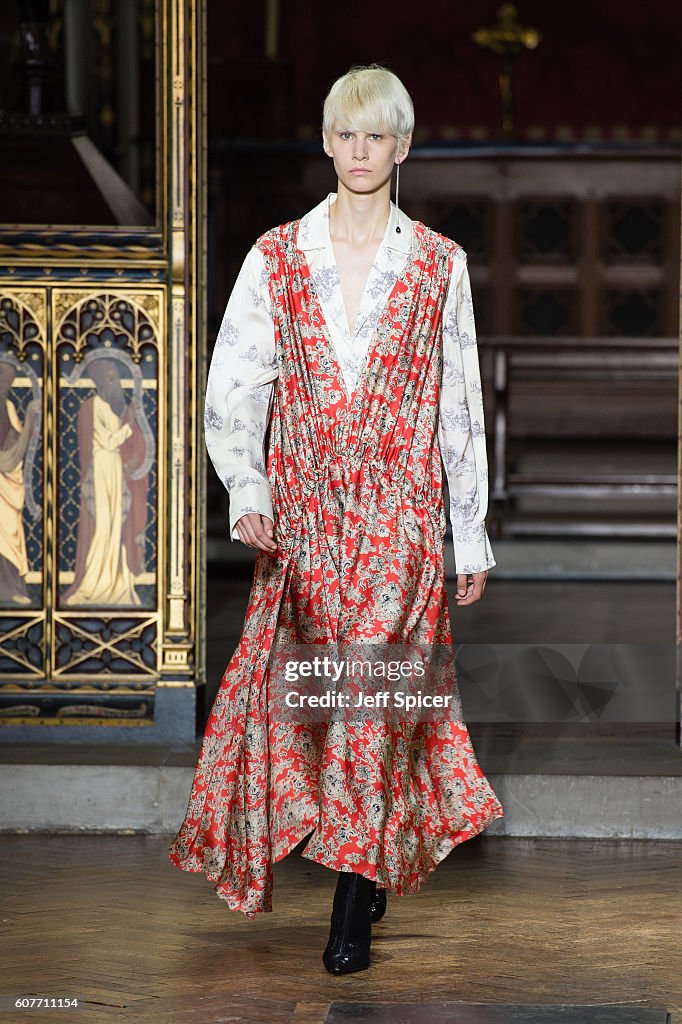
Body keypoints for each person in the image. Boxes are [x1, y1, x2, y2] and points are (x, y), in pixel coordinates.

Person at [169, 64, 504, 974]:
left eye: (378, 135)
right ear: (327, 142)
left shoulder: (440, 264)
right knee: (326, 699)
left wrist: (464, 531)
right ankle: (374, 841)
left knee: (372, 693)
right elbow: (235, 384)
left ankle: (350, 905)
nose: (361, 151)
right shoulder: (276, 257)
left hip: (399, 513)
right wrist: (249, 488)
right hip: (309, 516)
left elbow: (459, 407)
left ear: (403, 146)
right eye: (346, 134)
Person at [62, 357, 148, 607]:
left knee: (116, 524)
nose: (116, 382)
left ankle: (116, 582)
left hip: (113, 466)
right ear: (100, 382)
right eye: (111, 378)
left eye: (116, 377)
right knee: (104, 524)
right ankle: (95, 581)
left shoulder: (110, 406)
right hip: (102, 466)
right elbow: (109, 441)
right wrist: (129, 424)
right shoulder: (93, 405)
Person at [0, 360, 38, 606]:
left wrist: (30, 423)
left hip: (6, 479)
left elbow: (15, 447)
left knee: (8, 533)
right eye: (3, 376)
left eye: (10, 379)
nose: (6, 382)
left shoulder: (8, 404)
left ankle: (11, 587)